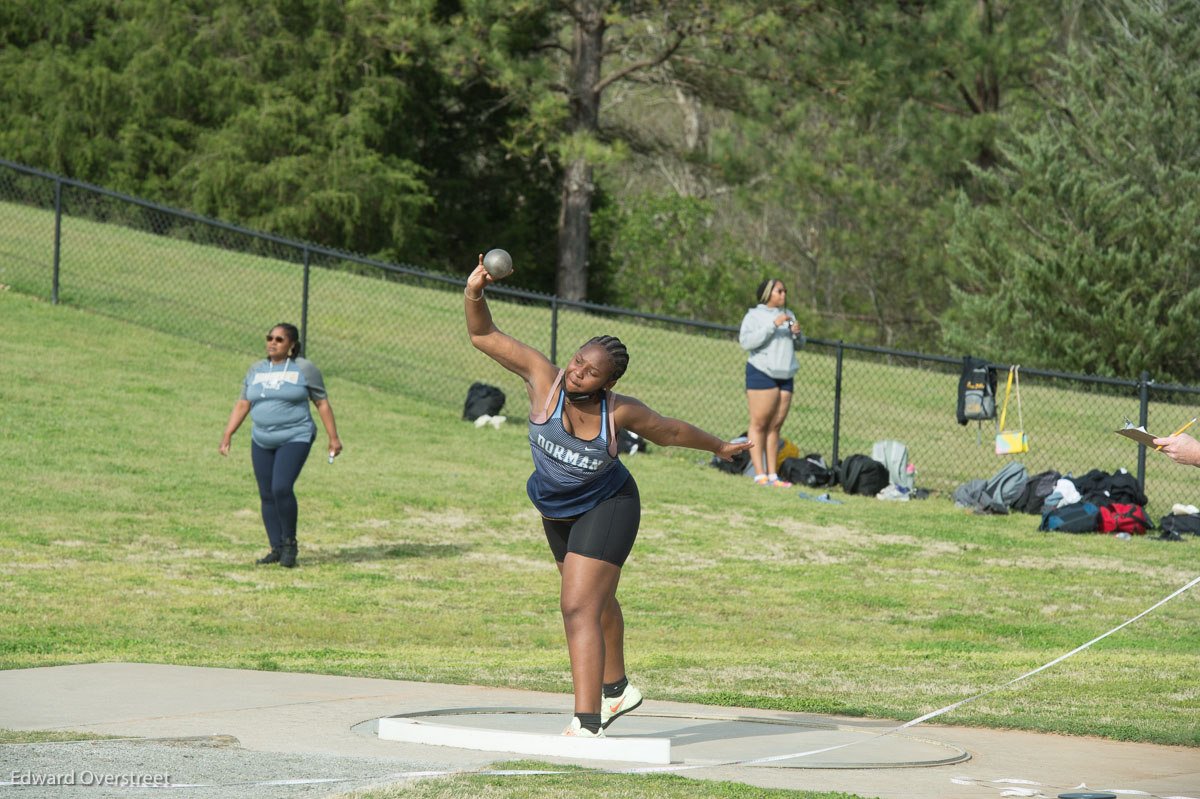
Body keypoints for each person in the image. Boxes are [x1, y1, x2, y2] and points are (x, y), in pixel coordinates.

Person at [464, 254, 752, 738]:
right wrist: (475, 291)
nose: (577, 373)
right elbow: (483, 335)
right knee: (595, 601)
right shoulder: (543, 379)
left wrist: (721, 446)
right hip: (555, 509)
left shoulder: (619, 413)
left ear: (608, 383)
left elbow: (670, 431)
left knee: (577, 607)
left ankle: (588, 722)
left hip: (608, 506)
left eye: (591, 372)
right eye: (578, 361)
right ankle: (617, 688)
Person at [219, 323, 342, 568]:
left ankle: (289, 544)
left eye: (279, 339)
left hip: (295, 436)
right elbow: (243, 404)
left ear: (292, 345)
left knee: (281, 487)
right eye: (270, 338)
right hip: (262, 438)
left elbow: (322, 404)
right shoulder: (256, 369)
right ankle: (275, 547)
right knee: (266, 493)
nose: (272, 342)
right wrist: (228, 434)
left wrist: (333, 437)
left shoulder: (304, 369)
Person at [739, 278, 804, 487]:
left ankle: (773, 475)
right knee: (759, 424)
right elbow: (746, 342)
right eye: (779, 291)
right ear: (768, 293)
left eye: (785, 290)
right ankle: (760, 475)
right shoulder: (754, 316)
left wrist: (797, 334)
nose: (784, 294)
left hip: (786, 375)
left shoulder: (790, 314)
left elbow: (801, 345)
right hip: (762, 373)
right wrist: (772, 325)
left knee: (775, 427)